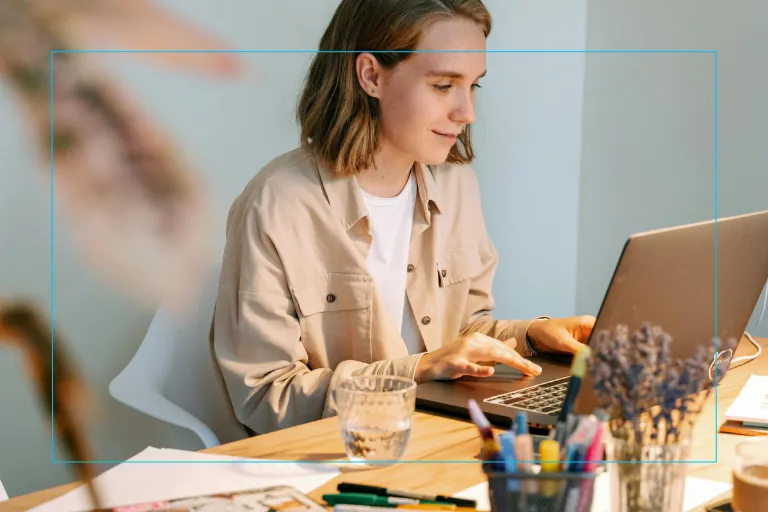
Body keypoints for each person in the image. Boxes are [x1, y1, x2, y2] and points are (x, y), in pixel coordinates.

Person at [211, 0, 595, 435]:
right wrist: (416, 370)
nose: (466, 112)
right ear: (371, 76)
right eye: (443, 85)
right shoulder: (276, 205)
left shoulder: (457, 185)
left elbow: (459, 333)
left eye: (473, 87)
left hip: (436, 438)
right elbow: (266, 398)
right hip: (333, 461)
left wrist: (531, 334)